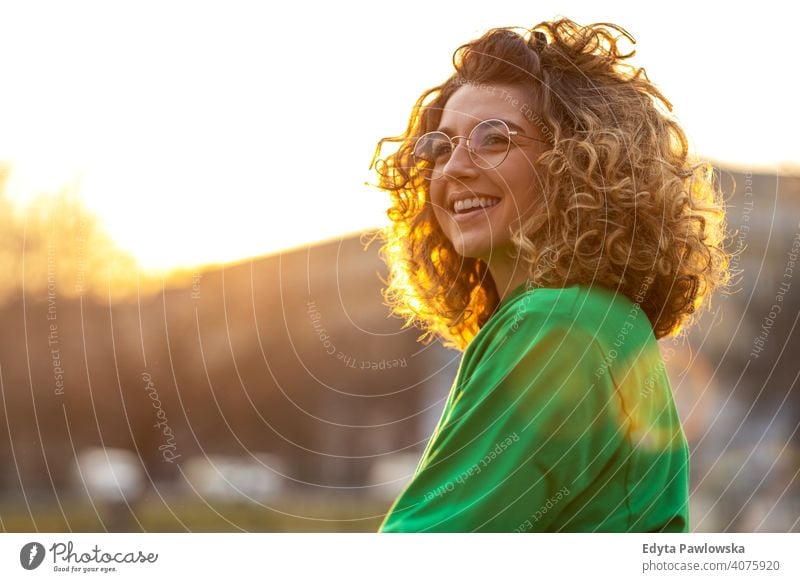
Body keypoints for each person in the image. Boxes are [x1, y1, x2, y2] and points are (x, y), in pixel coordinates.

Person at [369, 17, 730, 532]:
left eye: (494, 139)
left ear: (579, 160)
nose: (453, 169)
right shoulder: (588, 317)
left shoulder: (557, 325)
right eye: (440, 147)